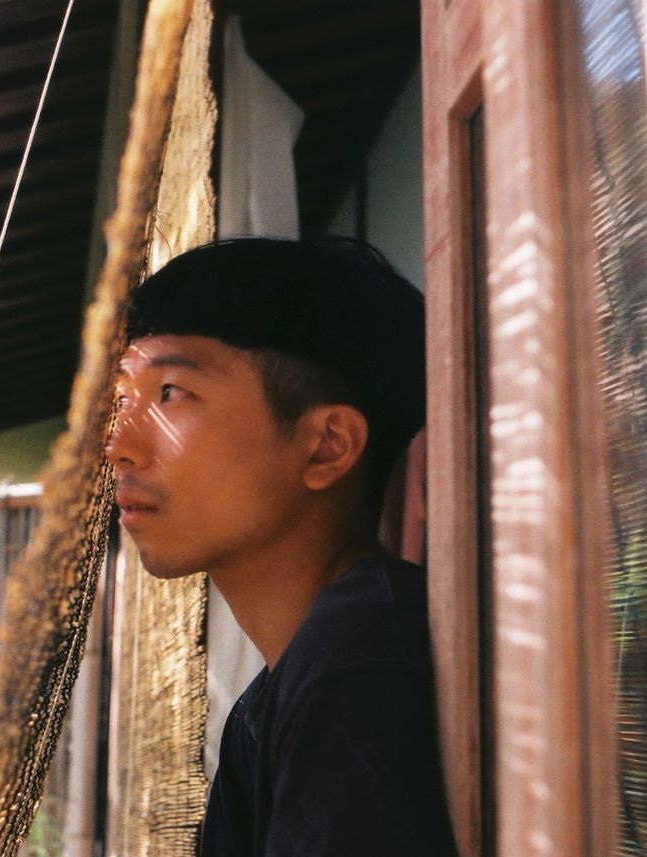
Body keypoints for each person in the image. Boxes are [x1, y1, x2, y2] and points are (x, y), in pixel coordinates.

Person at [106, 237, 457, 856]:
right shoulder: (278, 694)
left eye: (170, 395)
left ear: (327, 445)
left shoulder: (361, 662)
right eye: (123, 401)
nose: (120, 445)